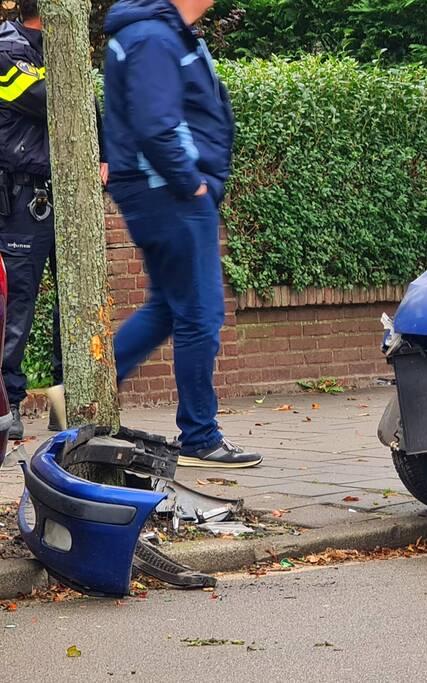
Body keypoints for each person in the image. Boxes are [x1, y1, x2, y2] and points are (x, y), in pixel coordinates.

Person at [103, 0, 261, 468]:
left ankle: (81, 391)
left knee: (167, 309)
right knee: (200, 314)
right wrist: (192, 183)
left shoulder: (159, 32)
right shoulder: (152, 36)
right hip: (170, 192)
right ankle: (199, 437)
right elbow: (156, 124)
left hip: (164, 190)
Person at [0, 0, 106, 439]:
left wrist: (103, 154)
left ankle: (67, 405)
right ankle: (7, 404)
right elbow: (56, 100)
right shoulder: (6, 51)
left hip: (65, 194)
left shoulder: (58, 48)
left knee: (74, 301)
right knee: (17, 304)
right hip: (23, 197)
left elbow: (87, 106)